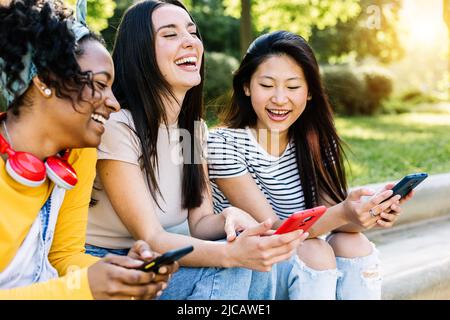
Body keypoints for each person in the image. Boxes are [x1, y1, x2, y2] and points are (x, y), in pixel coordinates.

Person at [85, 0, 307, 300]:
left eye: (192, 32)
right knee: (236, 265)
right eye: (170, 34)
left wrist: (231, 215)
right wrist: (233, 255)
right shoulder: (118, 127)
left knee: (258, 261)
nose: (190, 41)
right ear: (140, 52)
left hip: (154, 263)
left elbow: (201, 224)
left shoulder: (191, 132)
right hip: (107, 267)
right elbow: (151, 236)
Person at [207, 30, 413, 299]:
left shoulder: (314, 141)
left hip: (302, 261)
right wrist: (345, 213)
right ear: (246, 86)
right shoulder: (223, 144)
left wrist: (368, 212)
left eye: (293, 87)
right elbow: (276, 230)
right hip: (251, 270)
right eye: (267, 85)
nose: (280, 99)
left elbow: (333, 219)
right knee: (315, 250)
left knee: (352, 243)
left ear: (309, 93)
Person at [0, 0, 176, 300]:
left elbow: (63, 256)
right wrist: (83, 288)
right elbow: (74, 287)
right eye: (100, 84)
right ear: (45, 81)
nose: (114, 102)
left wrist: (120, 271)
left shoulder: (78, 155)